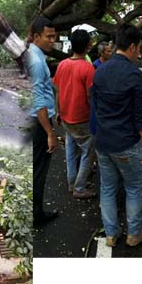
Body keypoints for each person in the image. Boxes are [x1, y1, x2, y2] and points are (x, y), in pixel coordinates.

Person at [92, 23, 142, 248]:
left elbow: (96, 107)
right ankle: (134, 233)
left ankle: (111, 234)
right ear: (133, 47)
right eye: (138, 49)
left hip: (103, 142)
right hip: (126, 143)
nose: (138, 53)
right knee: (134, 187)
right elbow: (140, 117)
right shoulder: (134, 75)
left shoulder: (100, 71)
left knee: (107, 187)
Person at [52, 29, 97, 199]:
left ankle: (72, 183)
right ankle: (79, 187)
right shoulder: (87, 68)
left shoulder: (63, 64)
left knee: (70, 151)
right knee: (88, 153)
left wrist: (58, 111)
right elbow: (90, 95)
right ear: (88, 46)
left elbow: (57, 90)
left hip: (65, 117)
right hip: (82, 119)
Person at [26, 16, 59, 227]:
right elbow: (38, 101)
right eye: (49, 36)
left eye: (54, 36)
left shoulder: (32, 55)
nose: (53, 41)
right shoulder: (36, 61)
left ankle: (35, 212)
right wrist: (49, 132)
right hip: (38, 123)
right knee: (38, 171)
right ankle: (36, 215)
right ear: (36, 36)